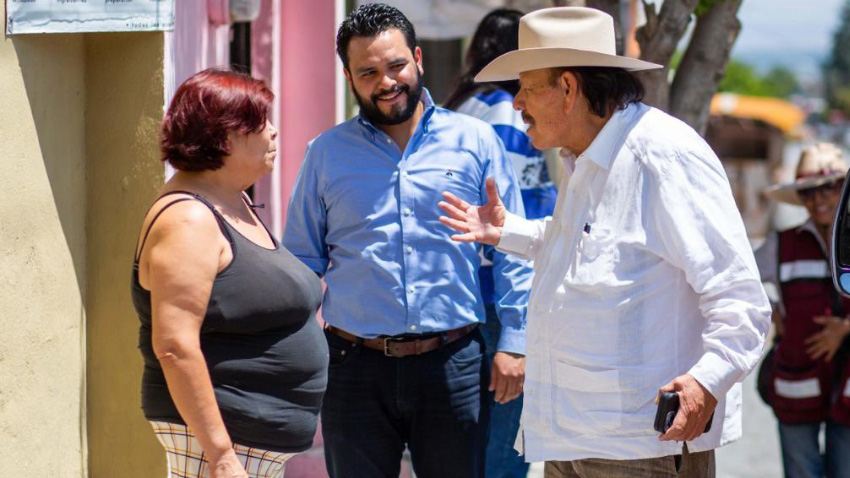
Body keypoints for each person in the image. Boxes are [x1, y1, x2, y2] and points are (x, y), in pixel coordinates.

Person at [438, 7, 771, 478]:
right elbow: (597, 249)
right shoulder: (588, 158)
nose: (517, 104)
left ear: (569, 89)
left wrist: (705, 382)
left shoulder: (661, 155)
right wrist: (507, 230)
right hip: (574, 440)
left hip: (641, 450)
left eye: (528, 88)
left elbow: (741, 299)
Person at [282, 4, 532, 478]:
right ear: (349, 77)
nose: (386, 81)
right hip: (354, 368)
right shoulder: (325, 155)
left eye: (396, 65)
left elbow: (511, 249)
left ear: (417, 58)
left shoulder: (476, 140)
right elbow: (301, 263)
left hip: (453, 364)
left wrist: (515, 342)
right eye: (368, 71)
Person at [131, 69, 327, 478]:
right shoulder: (188, 219)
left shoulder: (230, 202)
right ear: (223, 136)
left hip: (244, 447)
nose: (273, 132)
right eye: (260, 122)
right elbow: (174, 345)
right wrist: (220, 454)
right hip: (220, 447)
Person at [444, 8, 557, 478]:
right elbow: (503, 214)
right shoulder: (504, 115)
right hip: (504, 293)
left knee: (473, 438)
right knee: (505, 444)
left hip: (467, 292)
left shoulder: (460, 108)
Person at [758, 143, 850, 478]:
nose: (819, 200)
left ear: (843, 189)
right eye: (809, 193)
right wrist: (772, 314)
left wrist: (845, 327)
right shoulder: (783, 243)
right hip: (797, 382)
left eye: (828, 188)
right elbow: (740, 280)